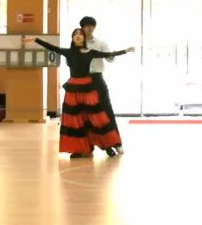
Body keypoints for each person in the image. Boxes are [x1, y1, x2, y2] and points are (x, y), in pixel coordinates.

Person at [35, 29, 133, 158]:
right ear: (72, 38)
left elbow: (108, 54)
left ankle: (107, 146)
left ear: (83, 38)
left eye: (80, 34)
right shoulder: (68, 52)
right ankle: (80, 149)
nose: (78, 36)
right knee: (76, 120)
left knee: (96, 118)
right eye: (75, 34)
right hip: (73, 89)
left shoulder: (90, 52)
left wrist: (125, 51)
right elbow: (52, 47)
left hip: (88, 88)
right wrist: (35, 40)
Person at [80, 15, 123, 155]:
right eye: (86, 26)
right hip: (81, 80)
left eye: (91, 26)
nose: (89, 28)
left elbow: (110, 59)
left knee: (106, 111)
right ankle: (86, 147)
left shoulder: (100, 43)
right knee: (84, 115)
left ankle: (116, 144)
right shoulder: (77, 43)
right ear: (82, 27)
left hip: (97, 79)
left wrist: (111, 55)